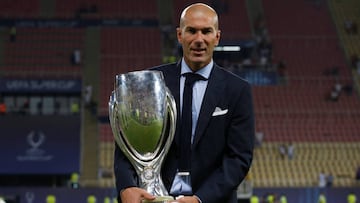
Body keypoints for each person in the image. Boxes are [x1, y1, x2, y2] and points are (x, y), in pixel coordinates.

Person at [113, 3, 255, 203]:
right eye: (192, 31)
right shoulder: (151, 82)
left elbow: (239, 158)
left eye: (206, 31)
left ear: (217, 37)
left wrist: (200, 199)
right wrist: (127, 186)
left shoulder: (237, 90)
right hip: (154, 198)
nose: (199, 39)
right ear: (180, 35)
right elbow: (127, 143)